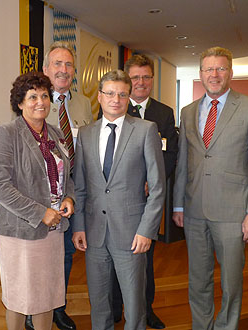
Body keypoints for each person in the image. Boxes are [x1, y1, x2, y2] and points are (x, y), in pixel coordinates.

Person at [172, 46, 248, 330]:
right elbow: (183, 164)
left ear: (230, 72)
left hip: (233, 212)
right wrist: (178, 205)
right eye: (208, 69)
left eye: (220, 68)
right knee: (198, 280)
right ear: (201, 74)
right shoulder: (188, 112)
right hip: (193, 211)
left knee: (231, 282)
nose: (214, 74)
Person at [72, 70, 165, 330]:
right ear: (99, 97)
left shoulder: (146, 130)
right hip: (94, 234)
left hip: (132, 234)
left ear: (128, 98)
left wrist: (147, 230)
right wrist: (78, 226)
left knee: (134, 304)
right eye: (110, 93)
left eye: (122, 94)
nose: (116, 99)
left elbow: (158, 187)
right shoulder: (86, 133)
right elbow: (80, 186)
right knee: (99, 302)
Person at [0, 71, 75, 330]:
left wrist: (69, 196)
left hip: (53, 229)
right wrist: (40, 212)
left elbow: (66, 173)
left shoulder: (55, 132)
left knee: (46, 295)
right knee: (20, 296)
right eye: (33, 96)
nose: (41, 102)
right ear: (20, 103)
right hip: (19, 231)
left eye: (45, 96)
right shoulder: (6, 134)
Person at [28, 40, 93, 330]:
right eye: (57, 64)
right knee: (39, 255)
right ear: (45, 68)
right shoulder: (35, 100)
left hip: (73, 191)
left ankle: (58, 307)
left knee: (66, 253)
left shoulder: (84, 103)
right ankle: (33, 310)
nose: (63, 70)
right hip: (41, 194)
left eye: (68, 65)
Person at [111, 54, 178, 329]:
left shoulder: (164, 114)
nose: (140, 82)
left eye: (145, 77)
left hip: (148, 199)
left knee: (145, 257)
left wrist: (156, 180)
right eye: (135, 77)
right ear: (127, 79)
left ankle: (145, 309)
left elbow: (171, 153)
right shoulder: (115, 108)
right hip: (118, 198)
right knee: (114, 253)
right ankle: (116, 308)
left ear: (152, 80)